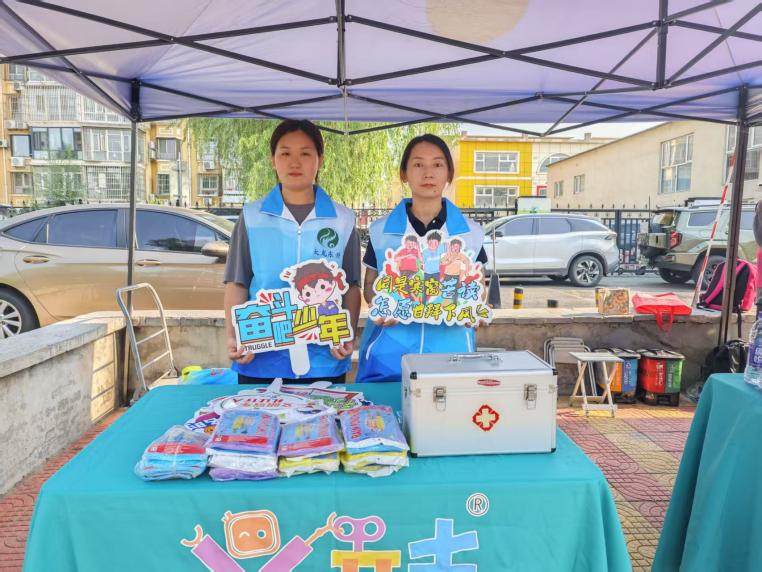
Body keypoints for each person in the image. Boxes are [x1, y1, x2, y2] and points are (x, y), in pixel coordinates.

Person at [223, 119, 361, 384]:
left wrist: (347, 334)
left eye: (305, 154)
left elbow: (351, 286)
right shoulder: (252, 217)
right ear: (273, 160)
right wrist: (233, 336)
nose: (294, 162)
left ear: (320, 160)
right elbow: (237, 281)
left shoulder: (343, 220)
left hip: (324, 359)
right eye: (285, 153)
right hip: (261, 358)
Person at [356, 134, 489, 383]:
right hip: (388, 356)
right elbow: (370, 286)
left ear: (449, 174)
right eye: (418, 164)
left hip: (451, 354)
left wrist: (476, 307)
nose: (428, 173)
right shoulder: (380, 231)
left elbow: (479, 287)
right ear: (403, 174)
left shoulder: (471, 233)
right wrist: (381, 305)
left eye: (437, 164)